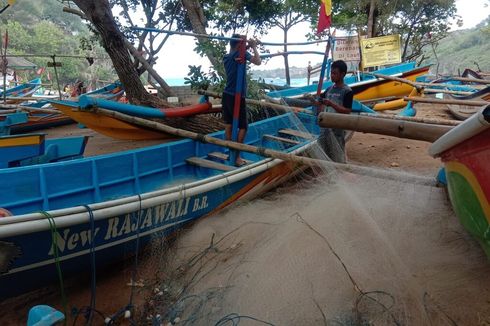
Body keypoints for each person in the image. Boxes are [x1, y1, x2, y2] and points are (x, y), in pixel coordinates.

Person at [222, 34, 261, 166]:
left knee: (228, 124)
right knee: (243, 126)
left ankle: (230, 153)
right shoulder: (241, 55)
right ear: (240, 45)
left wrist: (248, 44)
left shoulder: (226, 57)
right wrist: (254, 47)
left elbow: (238, 49)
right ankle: (237, 157)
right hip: (237, 96)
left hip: (227, 94)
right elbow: (258, 61)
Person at [316, 60, 353, 163]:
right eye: (331, 73)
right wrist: (316, 101)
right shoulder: (329, 89)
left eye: (334, 73)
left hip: (337, 130)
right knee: (324, 155)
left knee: (337, 156)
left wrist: (331, 104)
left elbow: (347, 111)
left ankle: (340, 174)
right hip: (325, 129)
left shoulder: (347, 91)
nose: (332, 75)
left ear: (342, 74)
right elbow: (320, 102)